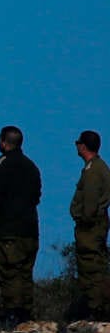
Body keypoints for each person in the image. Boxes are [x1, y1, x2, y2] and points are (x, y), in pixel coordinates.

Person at [0, 125, 42, 327]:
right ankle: (26, 314)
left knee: (9, 273)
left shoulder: (3, 166)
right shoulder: (31, 167)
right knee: (25, 273)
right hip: (30, 229)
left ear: (3, 142)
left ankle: (13, 314)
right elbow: (37, 197)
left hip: (9, 230)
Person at [69, 130, 110, 320]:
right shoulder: (98, 167)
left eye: (78, 143)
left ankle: (95, 309)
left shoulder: (93, 171)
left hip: (90, 227)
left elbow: (90, 202)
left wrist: (83, 220)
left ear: (83, 146)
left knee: (90, 265)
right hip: (96, 224)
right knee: (95, 264)